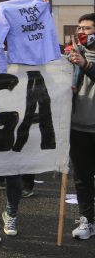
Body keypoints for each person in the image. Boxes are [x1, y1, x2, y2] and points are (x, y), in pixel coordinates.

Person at [69, 13, 95, 240]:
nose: (81, 32)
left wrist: (85, 64)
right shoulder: (74, 55)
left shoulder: (82, 59)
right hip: (78, 128)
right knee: (82, 178)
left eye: (86, 28)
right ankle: (87, 220)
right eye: (79, 28)